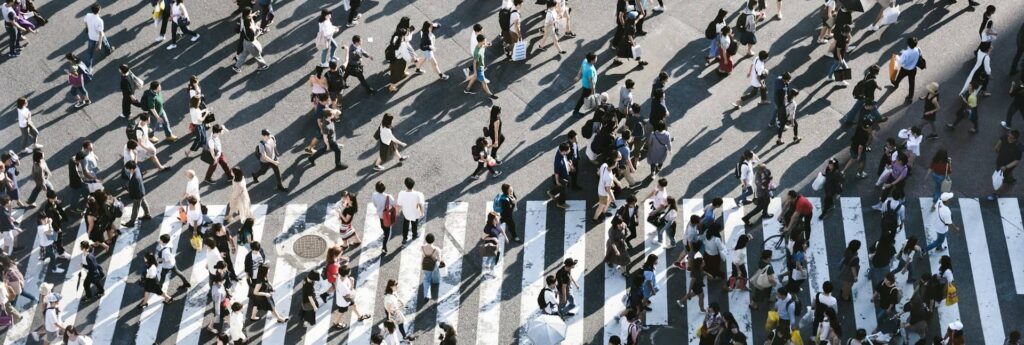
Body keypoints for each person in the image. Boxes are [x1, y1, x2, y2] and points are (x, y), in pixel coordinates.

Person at [987, 129, 1022, 200]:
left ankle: (996, 194)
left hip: (1006, 166)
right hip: (1000, 161)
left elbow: (1016, 161)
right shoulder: (1005, 137)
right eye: (1009, 136)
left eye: (1011, 137)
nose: (1008, 138)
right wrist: (997, 148)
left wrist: (1006, 167)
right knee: (1006, 174)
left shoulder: (1018, 147)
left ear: (1015, 139)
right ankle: (1010, 179)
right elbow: (999, 143)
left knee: (1000, 179)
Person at [232, 7, 269, 73]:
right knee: (257, 55)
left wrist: (254, 14)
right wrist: (260, 32)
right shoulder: (249, 28)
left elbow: (248, 16)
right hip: (251, 43)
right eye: (250, 13)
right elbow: (252, 38)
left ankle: (236, 67)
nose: (251, 14)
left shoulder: (243, 18)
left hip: (245, 42)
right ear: (247, 15)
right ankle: (262, 65)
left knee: (244, 54)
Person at [464, 34, 499, 99]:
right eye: (484, 41)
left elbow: (483, 46)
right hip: (479, 69)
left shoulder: (481, 45)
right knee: (484, 82)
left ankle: (467, 89)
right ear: (480, 41)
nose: (485, 41)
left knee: (474, 77)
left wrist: (487, 45)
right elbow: (474, 63)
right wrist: (475, 72)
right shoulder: (477, 52)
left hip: (481, 67)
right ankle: (490, 95)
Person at [891, 37, 923, 103]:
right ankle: (910, 97)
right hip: (913, 69)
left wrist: (896, 56)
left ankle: (896, 84)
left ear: (908, 44)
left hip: (905, 69)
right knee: (912, 83)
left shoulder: (905, 53)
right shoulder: (918, 49)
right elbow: (920, 55)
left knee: (899, 77)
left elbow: (900, 62)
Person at [122, 161, 151, 228]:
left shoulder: (134, 179)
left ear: (131, 169)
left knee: (135, 208)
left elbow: (133, 190)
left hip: (137, 194)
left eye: (127, 168)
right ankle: (147, 214)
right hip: (141, 191)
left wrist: (132, 196)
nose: (126, 169)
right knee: (143, 202)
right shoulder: (137, 168)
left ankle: (131, 222)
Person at [396, 177, 425, 243]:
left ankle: (404, 238)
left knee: (405, 225)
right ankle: (414, 235)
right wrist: (422, 212)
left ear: (405, 185)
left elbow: (398, 204)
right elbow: (420, 204)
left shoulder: (401, 193)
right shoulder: (418, 194)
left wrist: (397, 212)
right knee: (414, 225)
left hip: (406, 213)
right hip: (415, 213)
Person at [548, 143, 572, 209]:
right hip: (562, 177)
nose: (569, 150)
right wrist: (557, 181)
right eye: (568, 150)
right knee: (563, 190)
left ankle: (552, 193)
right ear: (563, 151)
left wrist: (568, 163)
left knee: (560, 187)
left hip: (564, 174)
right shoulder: (558, 161)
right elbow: (556, 172)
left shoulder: (560, 152)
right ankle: (560, 203)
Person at [420, 234, 443, 301]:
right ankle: (435, 282)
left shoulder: (422, 247)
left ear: (426, 240)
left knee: (427, 279)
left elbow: (423, 255)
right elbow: (439, 260)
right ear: (433, 240)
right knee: (436, 274)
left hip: (426, 264)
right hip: (434, 265)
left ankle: (426, 295)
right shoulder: (436, 249)